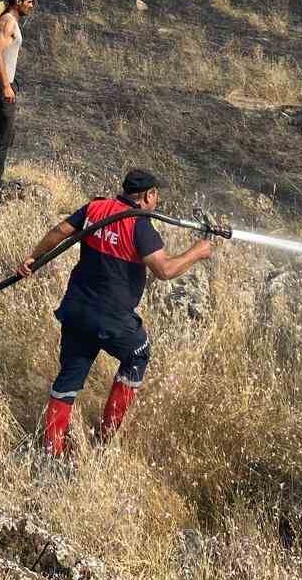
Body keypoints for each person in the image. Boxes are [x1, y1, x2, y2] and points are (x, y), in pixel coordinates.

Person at [18, 168, 215, 456]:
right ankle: (105, 438)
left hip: (76, 310)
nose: (156, 201)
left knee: (70, 375)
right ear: (148, 195)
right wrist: (198, 251)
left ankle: (52, 449)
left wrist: (33, 258)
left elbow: (60, 232)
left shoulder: (95, 208)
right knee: (138, 354)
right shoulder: (140, 226)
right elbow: (164, 270)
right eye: (156, 195)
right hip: (112, 319)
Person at [0, 0, 36, 197]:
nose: (32, 6)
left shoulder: (10, 20)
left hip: (1, 84)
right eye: (29, 2)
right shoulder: (8, 22)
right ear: (18, 2)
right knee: (2, 137)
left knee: (6, 135)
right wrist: (6, 85)